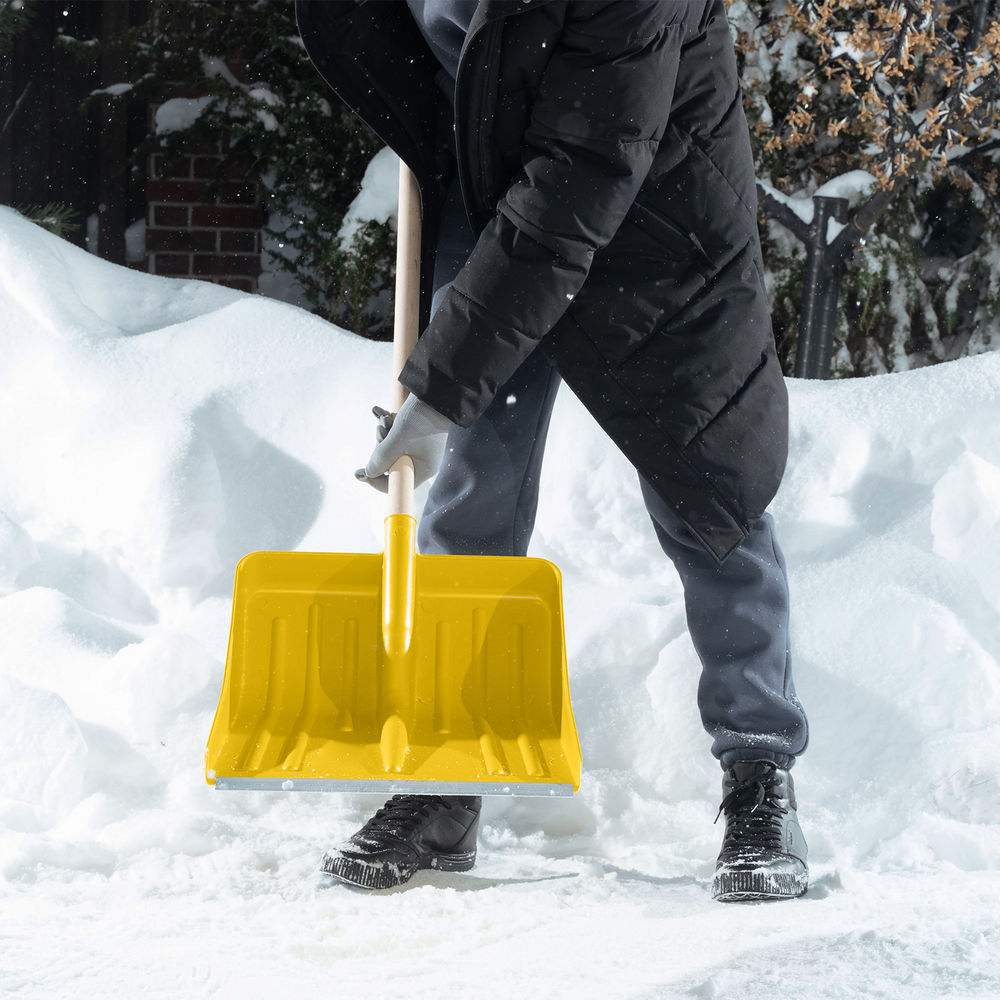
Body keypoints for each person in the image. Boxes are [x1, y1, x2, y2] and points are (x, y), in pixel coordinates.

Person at [295, 0, 809, 901]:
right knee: (468, 494)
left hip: (658, 213)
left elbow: (583, 168)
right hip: (503, 199)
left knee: (706, 488)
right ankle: (447, 779)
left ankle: (760, 773)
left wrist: (445, 383)